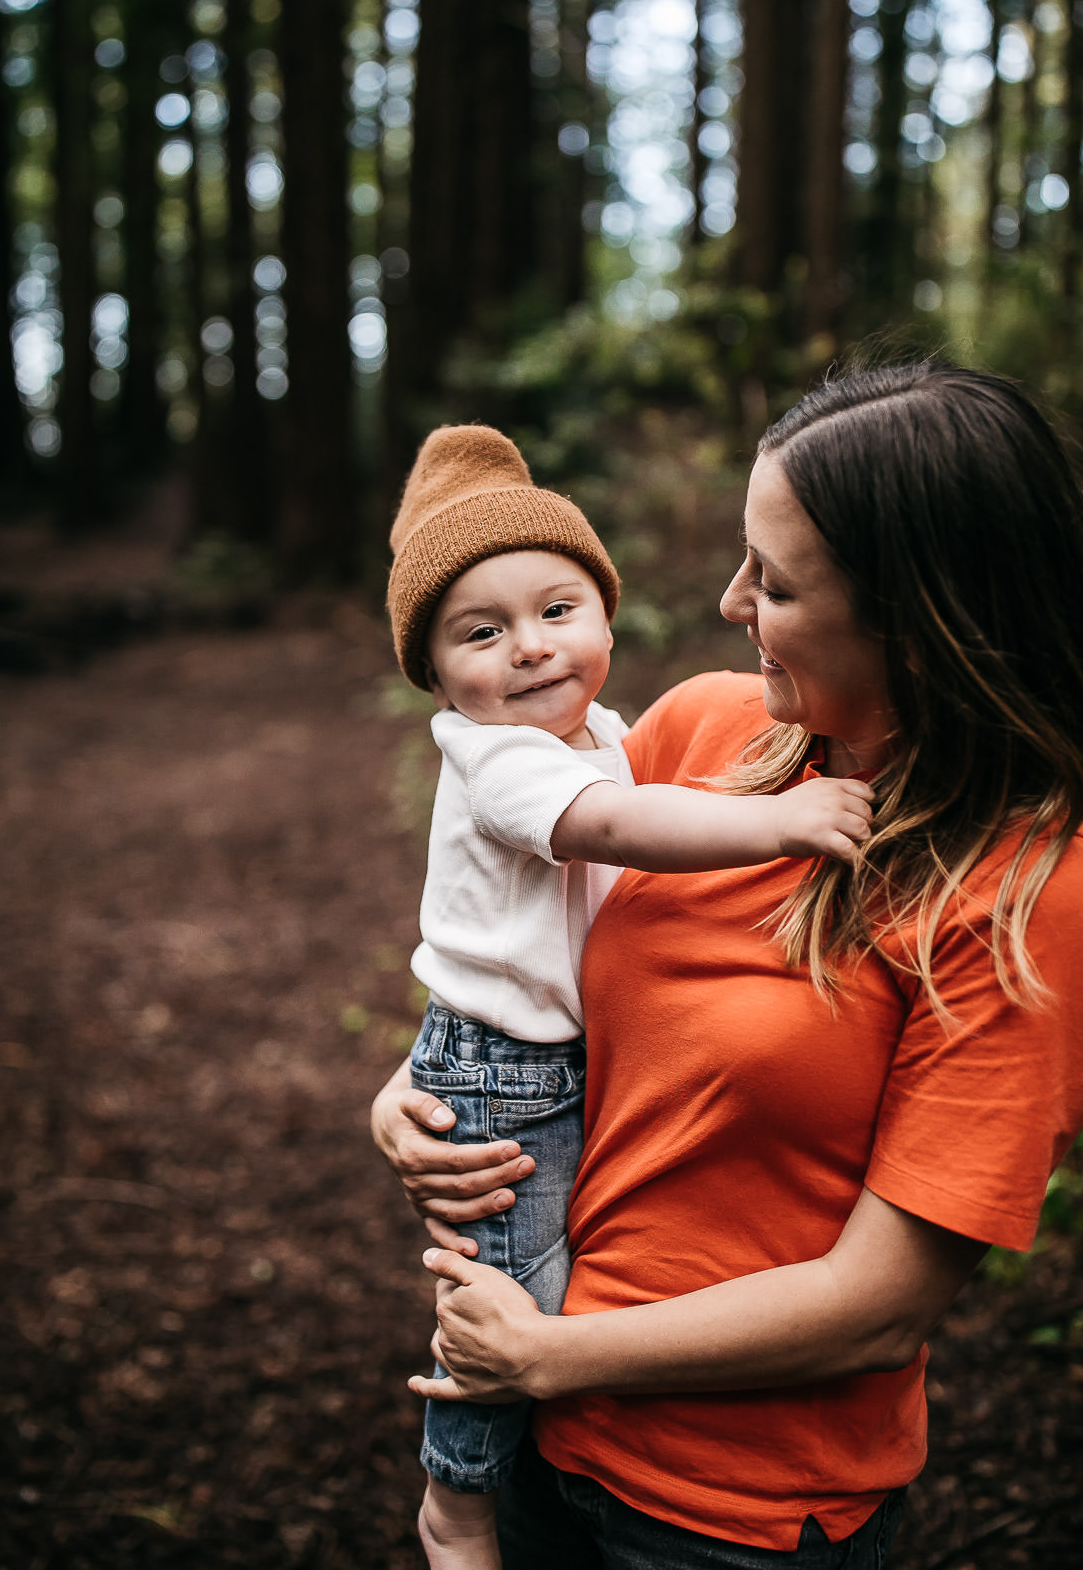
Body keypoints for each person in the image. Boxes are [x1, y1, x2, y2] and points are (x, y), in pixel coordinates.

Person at [373, 362, 1083, 1570]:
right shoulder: (699, 734)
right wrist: (409, 1104)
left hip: (729, 1514)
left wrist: (550, 1356)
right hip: (544, 1445)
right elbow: (528, 967)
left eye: (775, 582)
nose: (732, 601)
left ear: (922, 615)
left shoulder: (1039, 897)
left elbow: (880, 1307)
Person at [386, 424, 874, 1570]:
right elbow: (616, 827)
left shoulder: (603, 729)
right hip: (502, 1063)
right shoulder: (497, 755)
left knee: (525, 1298)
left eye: (558, 611)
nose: (530, 650)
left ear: (603, 611)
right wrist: (782, 819)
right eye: (481, 632)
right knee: (511, 1301)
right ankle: (453, 1497)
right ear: (438, 671)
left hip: (528, 1054)